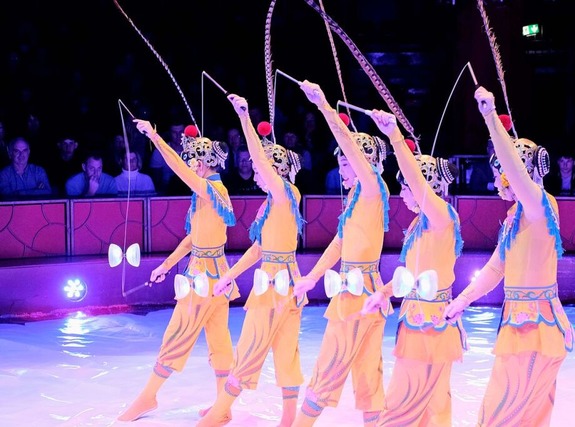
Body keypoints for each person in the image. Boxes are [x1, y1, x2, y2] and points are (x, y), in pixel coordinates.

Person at [443, 86, 575, 427]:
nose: (497, 182)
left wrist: (491, 118)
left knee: (501, 417)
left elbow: (516, 172)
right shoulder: (517, 215)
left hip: (536, 331)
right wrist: (462, 300)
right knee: (514, 418)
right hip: (521, 328)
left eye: (500, 171)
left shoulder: (539, 206)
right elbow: (495, 268)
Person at [117, 120, 239, 422]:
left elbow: (177, 169)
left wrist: (155, 136)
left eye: (195, 160)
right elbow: (192, 239)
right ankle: (222, 408)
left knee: (177, 335)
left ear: (206, 162)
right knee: (219, 339)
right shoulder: (208, 192)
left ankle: (148, 397)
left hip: (205, 278)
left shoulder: (211, 188)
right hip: (212, 273)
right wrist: (166, 265)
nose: (191, 165)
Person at [198, 94, 305, 427]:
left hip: (277, 285)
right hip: (279, 280)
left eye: (262, 169)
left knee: (252, 348)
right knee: (282, 351)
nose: (255, 172)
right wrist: (229, 275)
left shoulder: (287, 194)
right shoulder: (272, 204)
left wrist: (244, 118)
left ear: (275, 171)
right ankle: (282, 420)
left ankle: (221, 412)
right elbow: (258, 249)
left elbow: (259, 160)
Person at [291, 80, 391, 427]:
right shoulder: (357, 196)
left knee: (332, 366)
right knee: (366, 372)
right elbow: (339, 242)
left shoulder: (373, 190)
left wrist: (323, 107)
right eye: (343, 165)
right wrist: (311, 277)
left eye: (348, 164)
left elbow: (350, 147)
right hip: (359, 291)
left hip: (359, 294)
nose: (343, 170)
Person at [361, 109, 466, 426]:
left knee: (416, 402)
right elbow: (410, 276)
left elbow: (420, 187)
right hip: (419, 319)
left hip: (431, 325)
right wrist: (383, 293)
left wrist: (394, 136)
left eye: (406, 187)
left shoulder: (441, 217)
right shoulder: (421, 225)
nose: (402, 193)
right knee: (427, 403)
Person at [148, 122, 184, 194]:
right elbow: (157, 181)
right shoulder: (159, 151)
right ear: (169, 134)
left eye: (181, 132)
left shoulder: (193, 150)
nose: (178, 136)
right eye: (174, 133)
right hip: (166, 192)